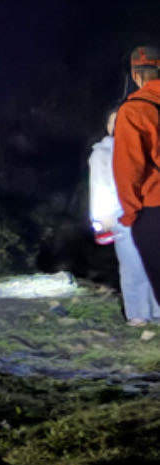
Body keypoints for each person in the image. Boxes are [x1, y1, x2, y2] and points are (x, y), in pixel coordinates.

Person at [90, 110, 160, 324]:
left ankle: (156, 312)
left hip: (147, 210)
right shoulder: (102, 153)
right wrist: (102, 218)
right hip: (120, 215)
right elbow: (99, 186)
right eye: (114, 122)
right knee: (132, 265)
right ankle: (138, 314)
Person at [114, 45, 160, 297]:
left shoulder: (133, 111)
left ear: (135, 75)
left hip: (154, 209)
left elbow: (128, 168)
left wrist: (131, 213)